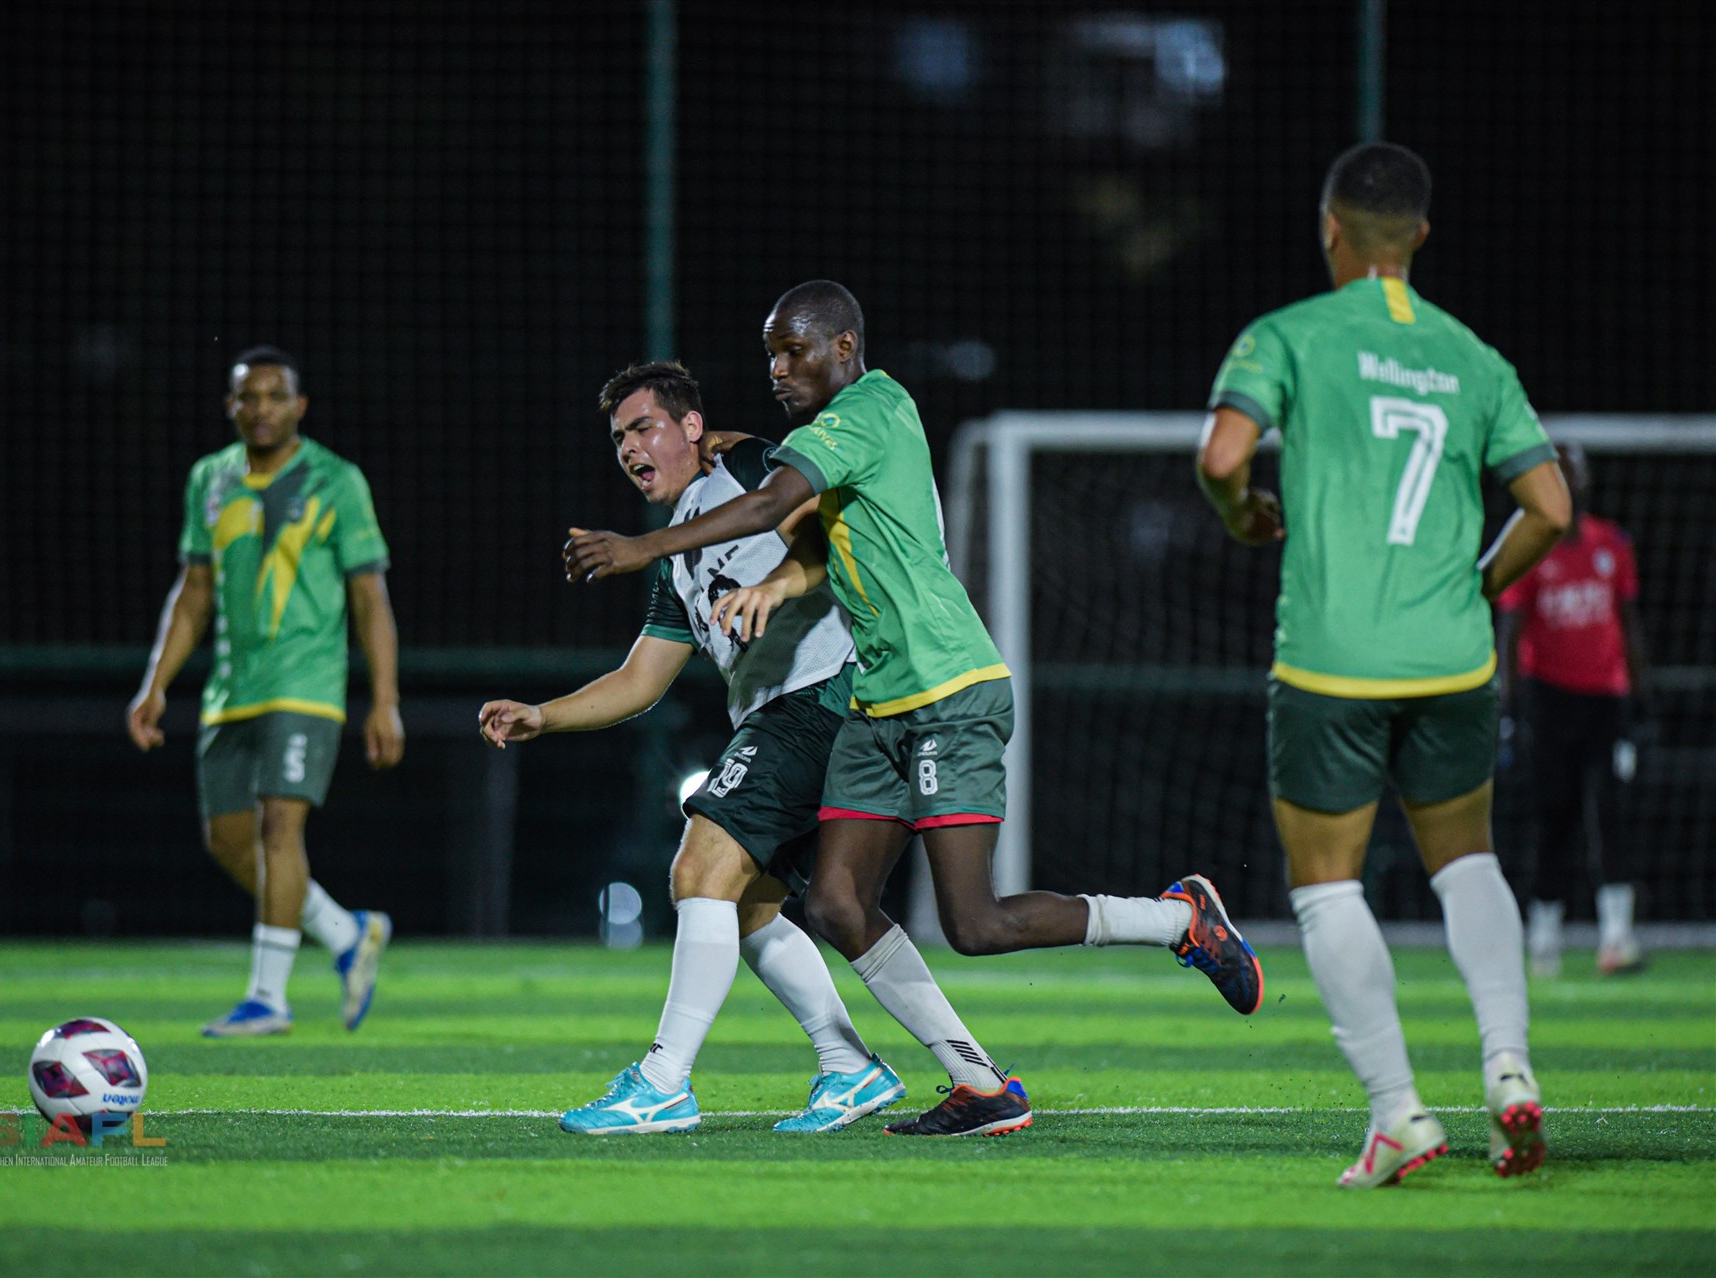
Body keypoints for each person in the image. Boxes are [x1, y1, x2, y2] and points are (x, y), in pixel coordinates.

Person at [566, 283, 1261, 1138]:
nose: (778, 370)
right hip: (876, 701)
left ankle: (1177, 919)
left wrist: (642, 547)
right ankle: (976, 1085)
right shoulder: (813, 439)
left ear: (845, 346)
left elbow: (771, 504)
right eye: (771, 355)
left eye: (793, 351)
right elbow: (788, 528)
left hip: (948, 689)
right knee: (836, 904)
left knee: (975, 923)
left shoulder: (871, 408)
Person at [1196, 142, 1570, 1186]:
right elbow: (1550, 510)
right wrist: (1480, 588)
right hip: (1452, 660)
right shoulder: (1474, 357)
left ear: (1331, 229)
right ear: (1420, 236)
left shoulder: (1289, 335)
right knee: (1469, 863)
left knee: (1327, 886)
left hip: (1332, 662)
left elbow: (1222, 458)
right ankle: (1507, 1063)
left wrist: (1242, 512)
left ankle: (1399, 1112)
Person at [482, 360, 918, 1134]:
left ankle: (663, 1082)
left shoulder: (744, 469)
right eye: (619, 437)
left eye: (643, 427)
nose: (628, 447)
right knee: (748, 905)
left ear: (692, 427)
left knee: (700, 867)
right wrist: (543, 717)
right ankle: (852, 1066)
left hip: (822, 694)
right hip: (789, 715)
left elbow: (825, 534)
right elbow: (641, 678)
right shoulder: (680, 556)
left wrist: (772, 582)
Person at [127, 345, 404, 1037]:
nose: (261, 409)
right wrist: (155, 684)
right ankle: (345, 932)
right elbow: (194, 591)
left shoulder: (336, 480)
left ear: (299, 406)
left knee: (281, 827)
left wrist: (385, 701)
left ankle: (267, 998)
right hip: (231, 689)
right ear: (231, 406)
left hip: (306, 684)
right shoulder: (210, 479)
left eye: (275, 396)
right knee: (228, 841)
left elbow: (370, 597)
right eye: (248, 397)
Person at [1498, 442, 1649, 977]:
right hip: (1548, 700)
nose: (1571, 484)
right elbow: (1510, 631)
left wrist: (1641, 702)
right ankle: (1544, 937)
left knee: (1611, 813)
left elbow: (1628, 625)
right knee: (1553, 816)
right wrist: (1508, 709)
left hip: (1605, 701)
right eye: (1561, 474)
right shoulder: (1529, 547)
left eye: (1576, 474)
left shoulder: (1613, 544)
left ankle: (1617, 937)